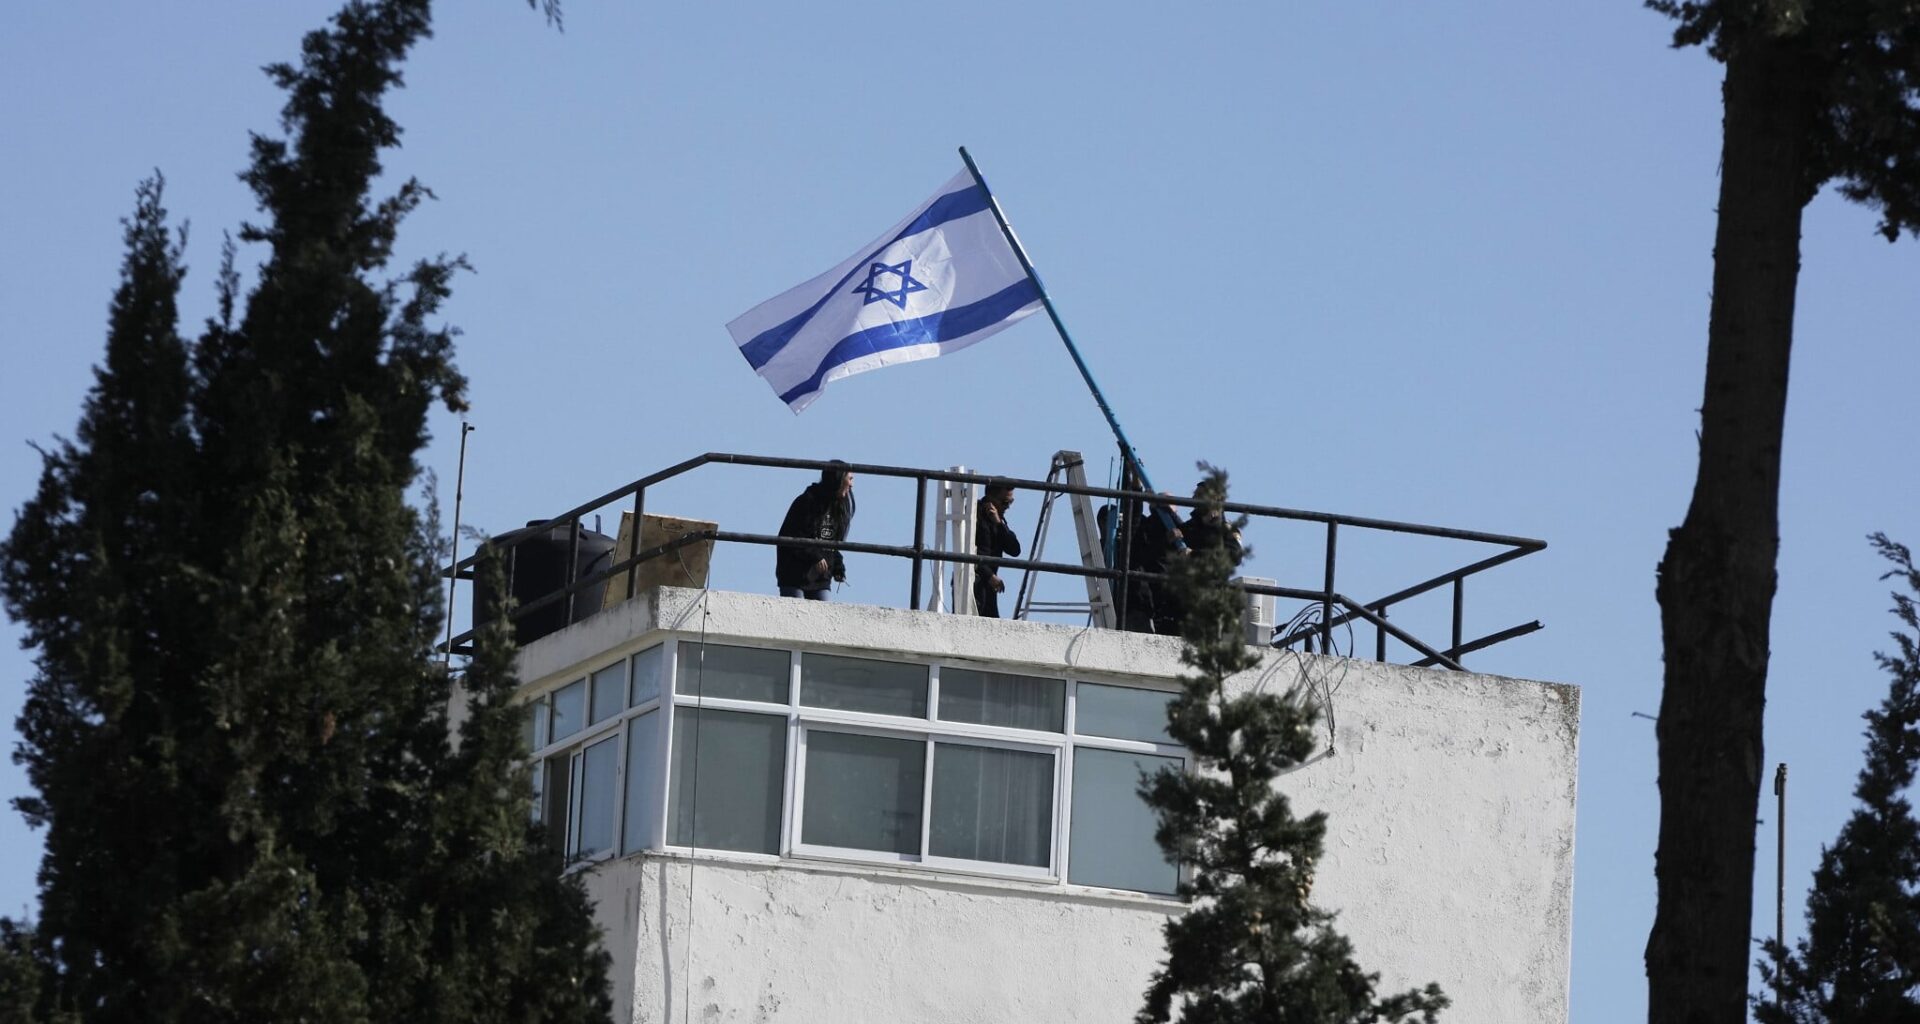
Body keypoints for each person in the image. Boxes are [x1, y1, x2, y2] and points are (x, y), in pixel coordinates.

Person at [776, 462, 855, 600]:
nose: (851, 484)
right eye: (849, 478)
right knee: (794, 615)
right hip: (795, 575)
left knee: (822, 617)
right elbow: (792, 537)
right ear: (837, 479)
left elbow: (832, 544)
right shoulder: (807, 502)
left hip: (820, 579)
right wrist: (815, 556)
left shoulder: (838, 508)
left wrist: (838, 566)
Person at [972, 481, 1022, 617]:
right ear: (991, 500)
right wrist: (990, 576)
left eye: (1011, 502)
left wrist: (998, 523)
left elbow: (1014, 550)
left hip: (989, 584)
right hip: (974, 581)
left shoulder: (998, 520)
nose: (1008, 507)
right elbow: (972, 552)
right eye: (1005, 502)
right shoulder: (975, 515)